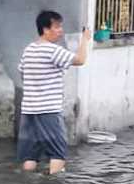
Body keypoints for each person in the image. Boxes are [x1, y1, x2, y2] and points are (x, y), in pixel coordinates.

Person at [17, 10, 91, 175]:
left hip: (29, 110)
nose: (61, 30)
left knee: (30, 155)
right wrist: (85, 40)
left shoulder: (28, 49)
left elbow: (22, 73)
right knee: (58, 152)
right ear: (45, 29)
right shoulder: (52, 50)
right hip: (48, 110)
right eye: (57, 27)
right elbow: (80, 60)